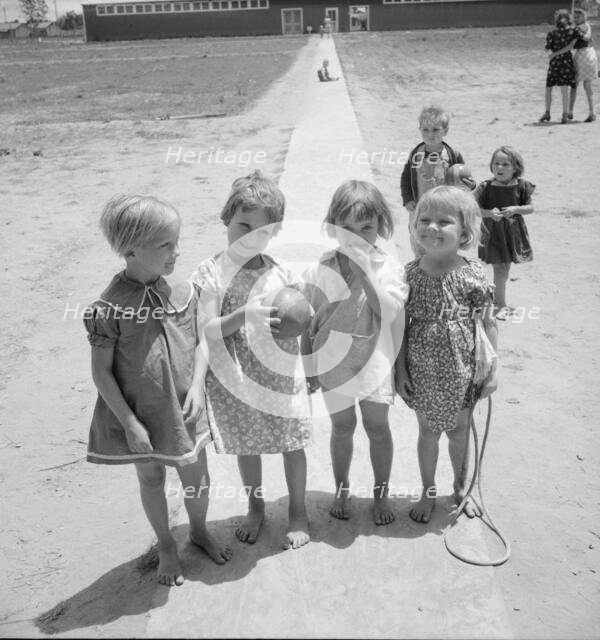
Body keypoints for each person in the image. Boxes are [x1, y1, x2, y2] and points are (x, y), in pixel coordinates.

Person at [84, 195, 232, 587]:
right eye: (165, 244)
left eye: (177, 241)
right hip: (138, 412)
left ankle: (198, 530)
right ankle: (166, 544)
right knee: (150, 480)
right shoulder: (108, 307)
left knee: (196, 478)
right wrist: (129, 423)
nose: (176, 252)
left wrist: (198, 385)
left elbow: (202, 341)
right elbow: (101, 373)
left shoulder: (183, 292)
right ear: (130, 249)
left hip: (184, 409)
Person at [193, 170, 312, 550]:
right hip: (239, 378)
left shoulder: (283, 273)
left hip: (281, 376)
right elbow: (208, 330)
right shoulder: (211, 272)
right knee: (248, 445)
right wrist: (243, 314)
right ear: (226, 218)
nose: (250, 236)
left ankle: (297, 512)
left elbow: (301, 323)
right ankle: (256, 506)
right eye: (243, 224)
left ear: (275, 232)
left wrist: (311, 364)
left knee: (293, 443)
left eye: (261, 231)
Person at [304, 180, 409, 524]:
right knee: (342, 428)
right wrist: (308, 365)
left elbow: (390, 313)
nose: (356, 236)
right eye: (346, 228)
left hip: (374, 363)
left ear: (381, 224)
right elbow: (309, 319)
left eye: (366, 227)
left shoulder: (388, 267)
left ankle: (381, 493)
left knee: (378, 429)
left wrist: (365, 272)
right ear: (333, 227)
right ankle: (342, 487)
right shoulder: (322, 267)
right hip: (334, 364)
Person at [395, 186, 498, 524]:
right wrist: (401, 371)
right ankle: (428, 492)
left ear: (464, 232)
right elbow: (402, 327)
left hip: (462, 371)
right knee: (427, 433)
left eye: (444, 221)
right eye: (424, 219)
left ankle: (461, 487)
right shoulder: (409, 275)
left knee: (458, 432)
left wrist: (492, 371)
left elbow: (488, 322)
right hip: (422, 371)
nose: (432, 227)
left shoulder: (472, 275)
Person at [400, 105, 474, 257]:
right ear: (420, 129)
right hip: (419, 207)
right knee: (419, 242)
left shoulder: (452, 155)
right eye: (425, 130)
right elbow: (406, 177)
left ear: (445, 131)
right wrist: (408, 199)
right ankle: (421, 269)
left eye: (435, 129)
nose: (430, 134)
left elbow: (465, 180)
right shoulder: (416, 154)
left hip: (445, 209)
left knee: (444, 243)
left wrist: (468, 185)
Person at [475, 146, 535, 321]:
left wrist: (517, 208)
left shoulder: (522, 186)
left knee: (505, 270)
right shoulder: (486, 187)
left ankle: (494, 297)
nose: (499, 168)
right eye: (496, 163)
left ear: (515, 167)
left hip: (513, 234)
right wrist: (488, 213)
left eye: (505, 164)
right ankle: (500, 305)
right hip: (493, 233)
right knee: (500, 269)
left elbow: (530, 208)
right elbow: (474, 208)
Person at [540, 9, 577, 124]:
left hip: (556, 62)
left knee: (550, 88)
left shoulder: (553, 33)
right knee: (561, 89)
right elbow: (570, 47)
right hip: (565, 62)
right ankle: (562, 114)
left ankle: (549, 113)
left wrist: (553, 53)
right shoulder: (572, 32)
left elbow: (547, 48)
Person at [569, 8, 598, 122]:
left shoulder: (585, 26)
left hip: (585, 54)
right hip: (585, 54)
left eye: (578, 17)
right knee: (584, 86)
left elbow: (586, 37)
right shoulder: (579, 27)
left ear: (584, 17)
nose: (576, 19)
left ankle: (571, 112)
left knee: (577, 85)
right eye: (574, 17)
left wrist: (578, 33)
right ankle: (591, 113)